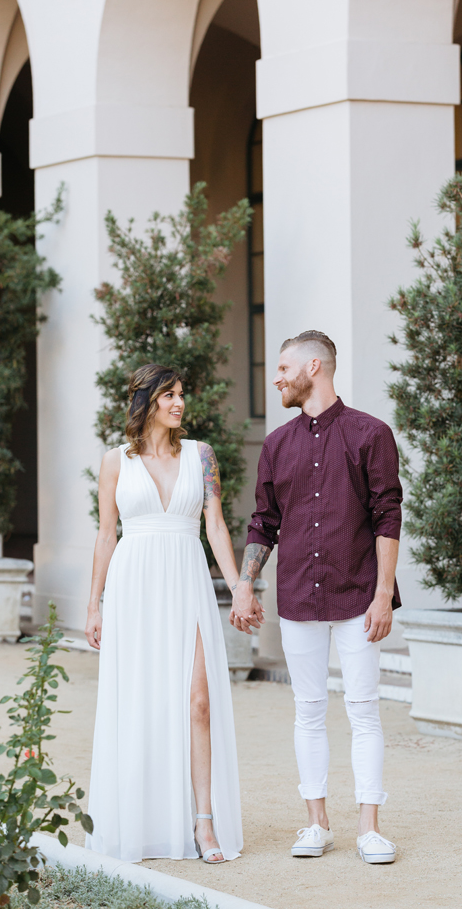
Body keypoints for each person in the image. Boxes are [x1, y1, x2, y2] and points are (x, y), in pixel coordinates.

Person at [231, 330, 402, 866]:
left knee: (364, 711)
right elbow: (264, 522)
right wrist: (245, 583)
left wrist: (382, 596)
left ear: (314, 367)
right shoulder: (277, 446)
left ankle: (369, 829)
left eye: (283, 368)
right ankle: (316, 824)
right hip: (299, 596)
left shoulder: (370, 434)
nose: (277, 377)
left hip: (357, 595)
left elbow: (387, 516)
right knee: (307, 711)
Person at [84, 364, 243, 864]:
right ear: (146, 401)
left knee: (198, 700)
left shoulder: (201, 456)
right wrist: (94, 604)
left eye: (182, 394)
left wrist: (239, 587)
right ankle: (138, 820)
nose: (180, 403)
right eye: (170, 395)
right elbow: (106, 533)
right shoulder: (115, 461)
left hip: (187, 579)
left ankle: (204, 822)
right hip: (133, 585)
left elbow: (215, 526)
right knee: (139, 702)